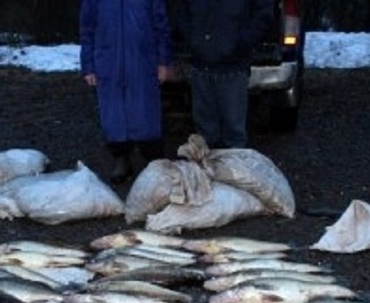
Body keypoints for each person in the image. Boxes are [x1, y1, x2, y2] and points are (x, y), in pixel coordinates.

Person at [79, 0, 173, 184]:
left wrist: (164, 62)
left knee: (146, 113)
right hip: (108, 62)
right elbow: (87, 29)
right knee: (114, 115)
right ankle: (121, 159)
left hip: (143, 61)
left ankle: (153, 161)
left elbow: (161, 25)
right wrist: (88, 65)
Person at [175, 0, 273, 149]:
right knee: (204, 137)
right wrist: (193, 40)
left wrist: (240, 42)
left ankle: (235, 171)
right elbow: (181, 11)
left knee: (235, 136)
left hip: (233, 69)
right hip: (201, 67)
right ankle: (208, 171)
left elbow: (263, 14)